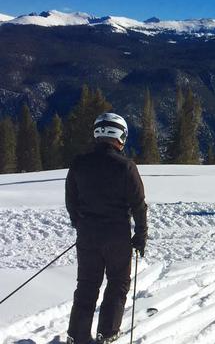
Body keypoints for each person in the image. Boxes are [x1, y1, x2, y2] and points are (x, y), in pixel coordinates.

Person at [65, 113, 147, 344]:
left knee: (87, 285)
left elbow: (71, 200)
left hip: (88, 235)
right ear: (121, 136)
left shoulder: (79, 163)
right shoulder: (126, 167)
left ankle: (76, 335)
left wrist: (79, 223)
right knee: (118, 282)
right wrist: (140, 236)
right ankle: (107, 333)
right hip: (117, 236)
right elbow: (139, 205)